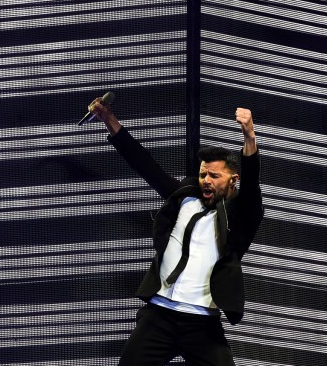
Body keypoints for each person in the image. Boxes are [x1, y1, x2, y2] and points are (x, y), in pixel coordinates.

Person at [89, 98, 264, 366]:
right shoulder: (183, 196)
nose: (206, 180)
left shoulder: (241, 215)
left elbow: (252, 188)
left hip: (203, 324)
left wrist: (249, 136)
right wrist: (110, 120)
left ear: (232, 181)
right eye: (203, 174)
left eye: (214, 176)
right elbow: (145, 165)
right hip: (160, 316)